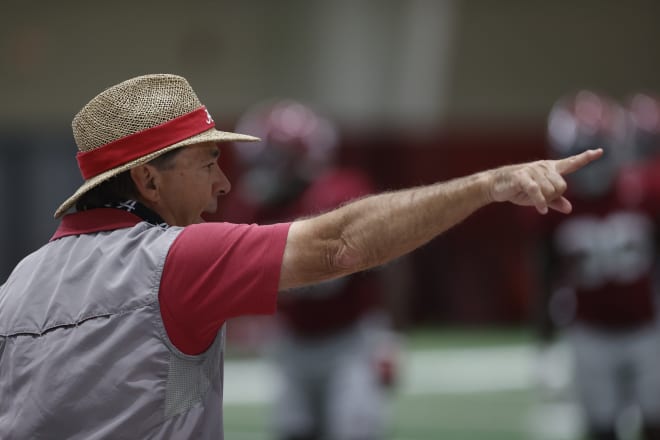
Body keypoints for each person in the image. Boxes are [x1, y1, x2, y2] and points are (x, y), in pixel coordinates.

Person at [0, 73, 601, 440]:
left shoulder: (20, 280)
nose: (225, 186)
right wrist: (488, 185)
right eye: (207, 164)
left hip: (339, 342)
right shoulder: (176, 260)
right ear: (148, 182)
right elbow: (340, 244)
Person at [220, 99, 400, 440]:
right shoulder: (255, 205)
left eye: (276, 156)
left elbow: (390, 265)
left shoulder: (341, 194)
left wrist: (389, 336)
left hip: (349, 338)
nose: (266, 167)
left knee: (353, 430)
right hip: (292, 341)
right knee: (294, 431)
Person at [531, 90, 660, 440]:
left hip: (648, 327)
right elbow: (547, 269)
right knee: (600, 427)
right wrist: (544, 338)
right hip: (589, 330)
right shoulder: (557, 201)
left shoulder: (646, 189)